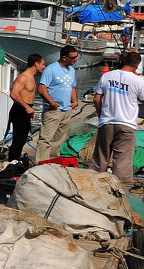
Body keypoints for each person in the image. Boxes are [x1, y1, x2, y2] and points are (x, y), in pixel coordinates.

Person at [91, 51, 144, 183]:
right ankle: (121, 190)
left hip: (106, 122)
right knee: (122, 160)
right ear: (137, 65)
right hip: (126, 124)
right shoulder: (138, 81)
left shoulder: (107, 75)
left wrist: (100, 115)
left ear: (123, 61)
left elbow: (97, 99)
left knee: (100, 157)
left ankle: (92, 184)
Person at [36, 46, 80, 162]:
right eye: (73, 57)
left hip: (67, 110)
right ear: (64, 58)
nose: (76, 59)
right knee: (46, 139)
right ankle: (41, 163)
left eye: (76, 57)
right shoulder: (51, 69)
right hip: (53, 110)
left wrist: (75, 101)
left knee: (59, 139)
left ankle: (53, 162)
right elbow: (41, 89)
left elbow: (72, 87)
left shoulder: (72, 70)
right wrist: (52, 103)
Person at [8, 54, 45, 162]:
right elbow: (13, 94)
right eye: (43, 64)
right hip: (19, 109)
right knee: (18, 140)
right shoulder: (23, 76)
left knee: (23, 138)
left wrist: (30, 110)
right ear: (36, 64)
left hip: (25, 110)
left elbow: (27, 96)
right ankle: (12, 164)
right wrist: (26, 108)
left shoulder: (31, 77)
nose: (44, 67)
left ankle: (15, 161)